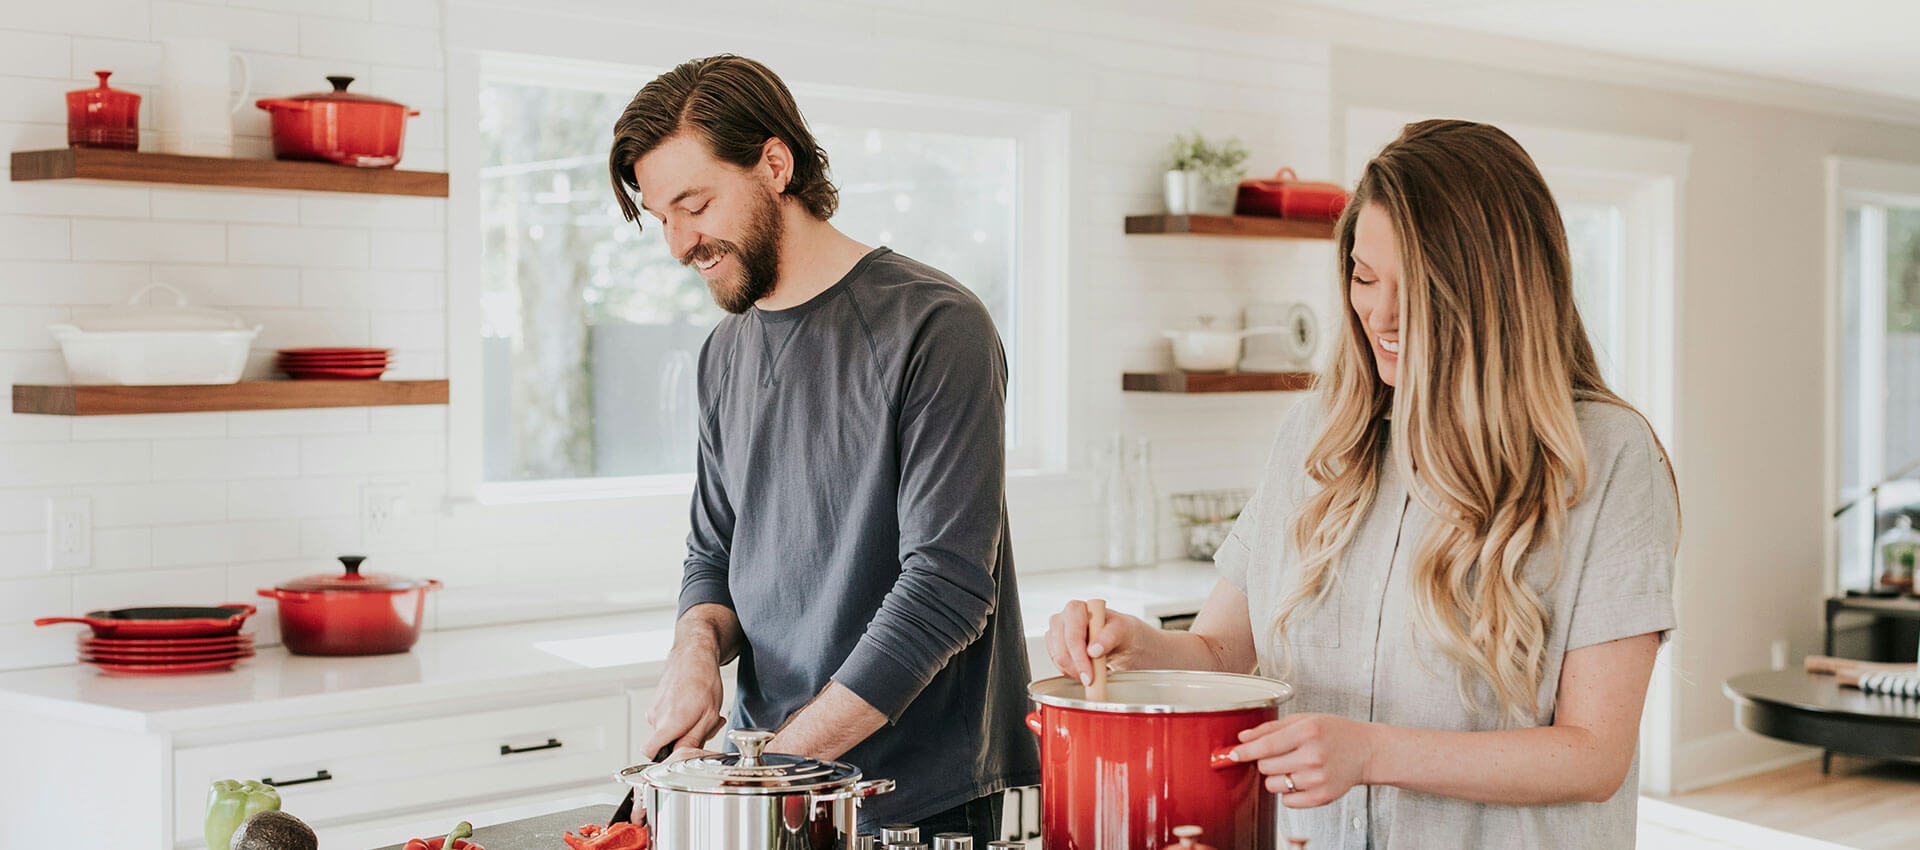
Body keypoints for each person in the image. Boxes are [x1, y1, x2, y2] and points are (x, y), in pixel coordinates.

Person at [1047, 119, 1679, 848]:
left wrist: (1374, 753)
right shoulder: (1319, 432)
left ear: (1500, 292)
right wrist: (1134, 647)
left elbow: (1594, 753)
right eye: (1364, 276)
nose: (1381, 314)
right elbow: (1223, 655)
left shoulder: (1607, 457)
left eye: (1420, 285)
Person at [607, 54, 1039, 843]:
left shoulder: (937, 327)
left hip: (913, 800)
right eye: (659, 216)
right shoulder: (724, 351)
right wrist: (694, 651)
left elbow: (947, 589)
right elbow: (714, 553)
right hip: (765, 782)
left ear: (776, 163)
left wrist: (768, 776)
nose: (677, 244)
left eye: (693, 205)